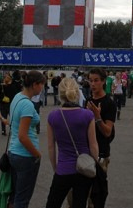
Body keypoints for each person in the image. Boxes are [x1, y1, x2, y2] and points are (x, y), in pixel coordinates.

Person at [45, 77, 99, 208]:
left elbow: (51, 147)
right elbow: (93, 144)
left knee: (53, 203)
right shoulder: (87, 115)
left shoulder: (53, 116)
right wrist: (95, 163)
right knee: (80, 203)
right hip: (83, 169)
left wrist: (55, 167)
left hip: (63, 168)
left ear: (60, 94)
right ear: (77, 92)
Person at [6, 71, 45, 208]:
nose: (42, 88)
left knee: (15, 195)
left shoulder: (17, 97)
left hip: (13, 151)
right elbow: (23, 136)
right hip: (25, 155)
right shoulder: (28, 105)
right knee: (22, 199)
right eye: (42, 85)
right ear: (35, 84)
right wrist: (36, 153)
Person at [86, 68, 117, 208]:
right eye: (90, 80)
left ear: (103, 81)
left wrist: (97, 117)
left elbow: (107, 132)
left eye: (96, 80)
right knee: (80, 194)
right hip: (85, 152)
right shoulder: (87, 101)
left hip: (101, 154)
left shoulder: (109, 103)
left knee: (96, 197)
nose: (93, 84)